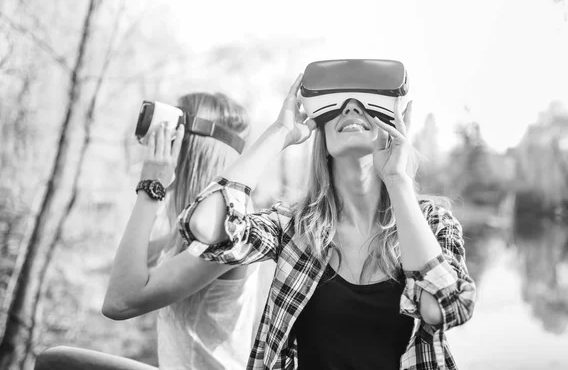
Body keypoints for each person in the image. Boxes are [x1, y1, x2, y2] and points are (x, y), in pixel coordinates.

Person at [176, 74, 477, 370]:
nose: (351, 107)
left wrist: (398, 180)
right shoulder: (292, 227)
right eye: (337, 105)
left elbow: (444, 307)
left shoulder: (433, 223)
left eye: (368, 103)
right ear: (320, 132)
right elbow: (205, 227)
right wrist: (279, 133)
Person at [36, 92, 270, 370]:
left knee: (57, 362)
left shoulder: (227, 228)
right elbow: (125, 269)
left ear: (191, 149)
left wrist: (150, 188)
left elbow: (118, 303)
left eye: (173, 140)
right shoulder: (185, 236)